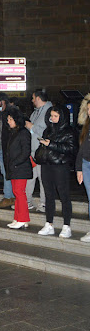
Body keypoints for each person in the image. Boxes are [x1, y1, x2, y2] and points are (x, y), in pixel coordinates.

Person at [34, 105, 76, 238]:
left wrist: (50, 144)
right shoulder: (48, 130)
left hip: (60, 165)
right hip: (47, 164)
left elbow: (70, 148)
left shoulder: (69, 131)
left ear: (62, 117)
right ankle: (49, 224)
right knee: (48, 195)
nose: (52, 119)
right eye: (51, 116)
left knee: (64, 196)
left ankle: (66, 225)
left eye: (55, 116)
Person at [4, 107, 33, 229]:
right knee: (17, 192)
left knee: (20, 193)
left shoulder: (23, 132)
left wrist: (15, 163)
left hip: (20, 167)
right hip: (15, 167)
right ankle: (18, 218)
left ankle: (23, 218)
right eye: (8, 119)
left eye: (10, 119)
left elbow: (26, 151)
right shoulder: (14, 132)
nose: (8, 122)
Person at [25, 90, 52, 212]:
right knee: (30, 177)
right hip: (32, 151)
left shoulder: (49, 111)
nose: (32, 101)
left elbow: (48, 132)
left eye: (33, 98)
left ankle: (44, 203)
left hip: (42, 151)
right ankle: (27, 201)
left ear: (38, 98)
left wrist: (32, 127)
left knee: (43, 178)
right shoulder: (36, 112)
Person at [0, 92, 15, 207]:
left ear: (2, 101)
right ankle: (9, 196)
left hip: (7, 147)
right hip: (0, 146)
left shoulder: (10, 112)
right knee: (4, 172)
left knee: (7, 172)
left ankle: (8, 196)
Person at [76, 93, 90, 242]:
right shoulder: (86, 126)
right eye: (88, 109)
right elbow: (81, 148)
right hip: (86, 163)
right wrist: (79, 168)